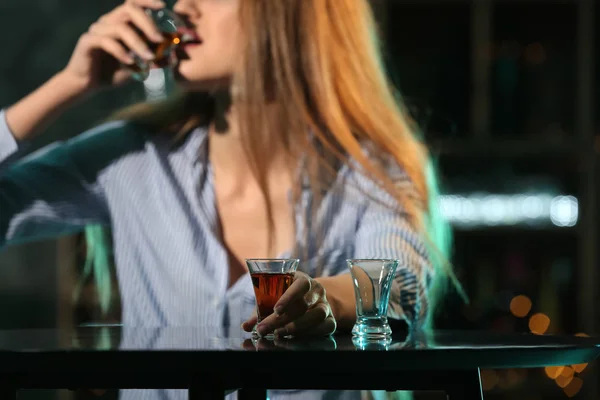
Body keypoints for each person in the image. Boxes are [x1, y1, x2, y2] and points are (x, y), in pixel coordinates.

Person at [0, 0, 457, 398]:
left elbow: (397, 286)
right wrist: (69, 84)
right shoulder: (132, 156)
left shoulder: (375, 170)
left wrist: (325, 300)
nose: (181, 10)